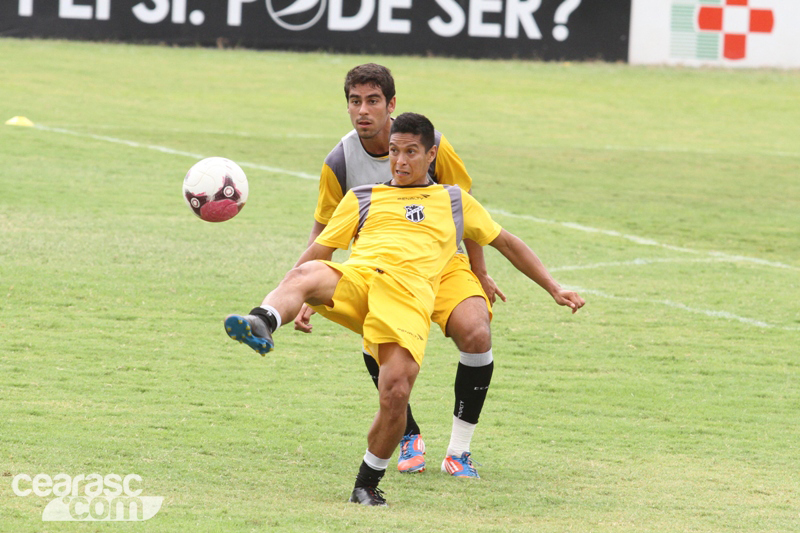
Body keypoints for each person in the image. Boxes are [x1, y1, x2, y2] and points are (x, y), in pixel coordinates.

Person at [224, 112, 585, 506]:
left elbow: (508, 243)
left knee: (395, 392)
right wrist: (302, 298)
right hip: (361, 281)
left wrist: (553, 287)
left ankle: (366, 483)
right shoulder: (362, 196)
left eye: (411, 152)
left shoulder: (453, 200)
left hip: (408, 300)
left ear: (431, 155)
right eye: (394, 151)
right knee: (308, 271)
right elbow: (319, 250)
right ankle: (262, 321)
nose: (400, 161)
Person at [296, 63, 504, 477]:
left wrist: (479, 271)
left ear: (391, 104)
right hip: (381, 270)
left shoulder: (430, 143)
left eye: (373, 101)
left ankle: (458, 452)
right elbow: (324, 227)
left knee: (477, 332)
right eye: (355, 102)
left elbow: (466, 208)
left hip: (444, 264)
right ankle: (407, 432)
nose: (363, 111)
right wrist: (307, 288)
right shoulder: (339, 161)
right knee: (377, 347)